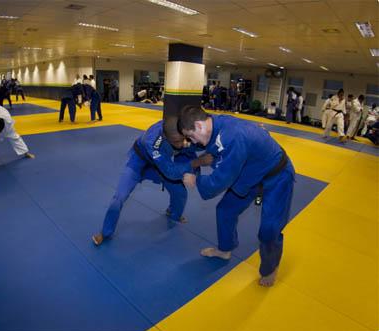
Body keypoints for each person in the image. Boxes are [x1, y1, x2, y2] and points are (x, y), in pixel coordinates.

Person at [178, 105, 295, 287]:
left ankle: (270, 268)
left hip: (277, 175)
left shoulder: (232, 136)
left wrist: (196, 179)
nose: (193, 141)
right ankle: (225, 250)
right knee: (225, 210)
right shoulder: (216, 124)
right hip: (249, 172)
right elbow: (220, 151)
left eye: (192, 136)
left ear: (199, 126)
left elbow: (220, 181)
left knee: (269, 228)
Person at [92, 119, 212, 246]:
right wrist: (197, 162)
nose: (182, 143)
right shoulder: (152, 141)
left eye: (182, 139)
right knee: (119, 197)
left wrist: (199, 164)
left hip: (160, 165)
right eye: (177, 141)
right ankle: (105, 232)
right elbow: (169, 171)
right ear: (166, 138)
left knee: (179, 192)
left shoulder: (179, 131)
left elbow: (195, 148)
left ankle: (173, 212)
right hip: (139, 163)